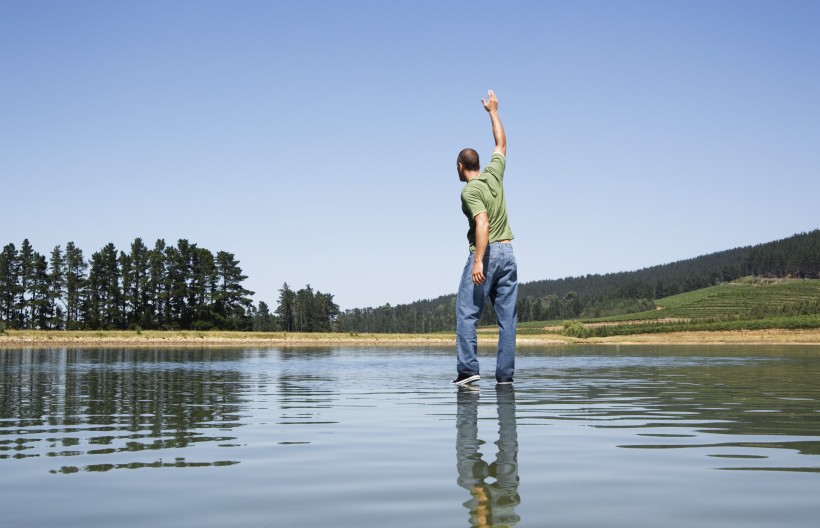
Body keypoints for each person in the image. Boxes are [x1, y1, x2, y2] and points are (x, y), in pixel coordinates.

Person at [453, 90, 518, 386]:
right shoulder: (494, 174)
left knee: (467, 312)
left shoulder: (470, 191)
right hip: (509, 253)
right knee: (507, 321)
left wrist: (478, 260)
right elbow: (501, 142)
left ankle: (468, 371)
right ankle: (504, 377)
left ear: (460, 166)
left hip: (488, 252)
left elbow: (482, 221)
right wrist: (493, 111)